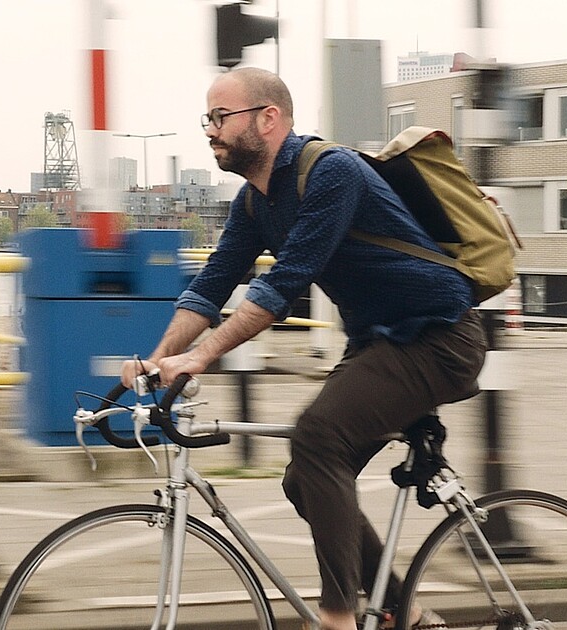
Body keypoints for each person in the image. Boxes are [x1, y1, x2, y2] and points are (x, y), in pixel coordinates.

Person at [120, 67, 488, 630]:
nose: (210, 130)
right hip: (380, 343)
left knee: (318, 435)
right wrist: (158, 359)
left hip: (439, 337)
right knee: (305, 480)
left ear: (269, 120)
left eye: (221, 117)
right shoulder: (254, 202)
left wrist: (201, 357)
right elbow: (211, 286)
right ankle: (403, 611)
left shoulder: (330, 172)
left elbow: (281, 285)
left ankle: (339, 616)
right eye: (208, 119)